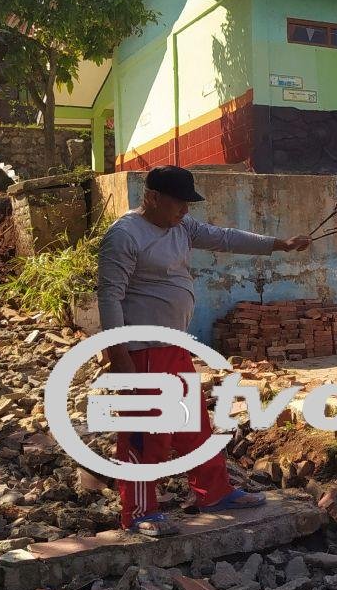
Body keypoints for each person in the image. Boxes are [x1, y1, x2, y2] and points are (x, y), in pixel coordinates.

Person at [96, 165, 311, 537]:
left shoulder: (181, 226)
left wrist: (280, 244)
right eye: (178, 203)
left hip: (174, 347)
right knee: (146, 434)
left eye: (187, 205)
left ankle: (214, 493)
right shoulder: (125, 235)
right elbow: (109, 297)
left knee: (194, 426)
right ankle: (140, 512)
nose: (184, 210)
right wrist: (119, 356)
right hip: (142, 352)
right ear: (152, 198)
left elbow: (225, 238)